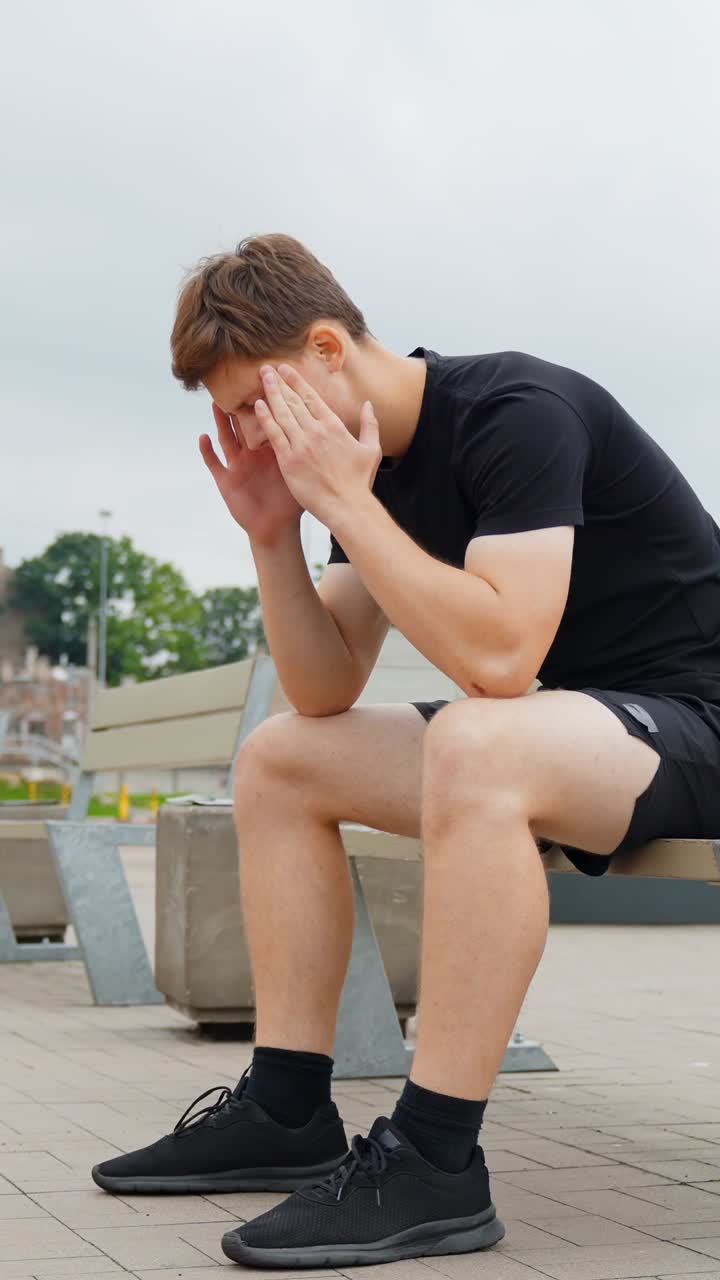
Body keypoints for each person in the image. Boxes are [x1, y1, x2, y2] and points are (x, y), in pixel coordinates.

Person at [92, 234, 720, 1268]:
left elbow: (504, 657)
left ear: (329, 348)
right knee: (281, 758)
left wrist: (344, 500)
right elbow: (325, 686)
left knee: (479, 738)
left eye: (258, 402)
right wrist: (273, 536)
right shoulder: (364, 469)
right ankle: (288, 1105)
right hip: (572, 730)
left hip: (691, 717)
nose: (252, 434)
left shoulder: (517, 411)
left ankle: (435, 1159)